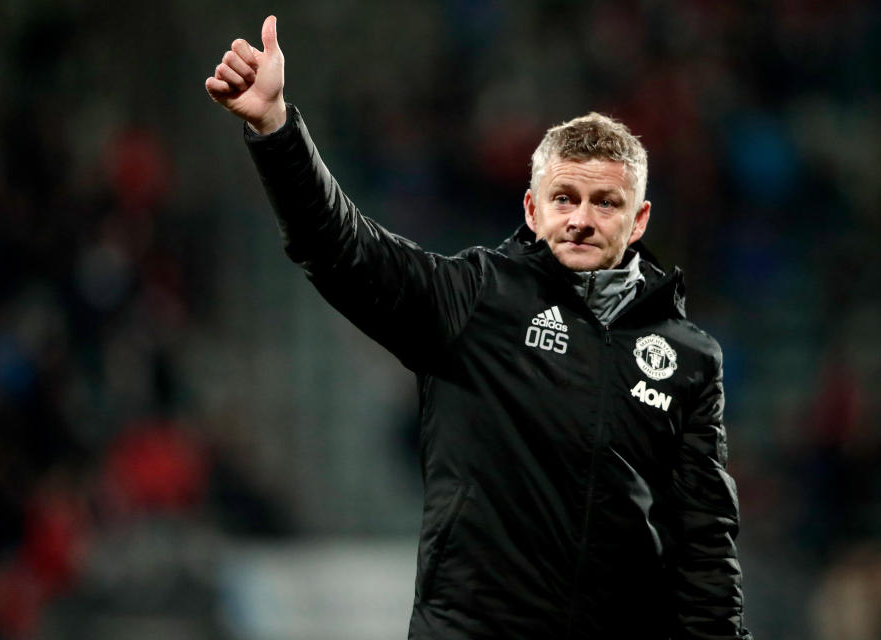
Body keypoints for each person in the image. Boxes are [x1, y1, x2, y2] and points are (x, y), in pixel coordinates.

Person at [206, 15, 752, 640]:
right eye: (564, 198)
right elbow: (341, 249)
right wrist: (275, 130)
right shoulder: (477, 298)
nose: (581, 218)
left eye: (605, 203)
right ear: (531, 207)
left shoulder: (686, 359)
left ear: (639, 220)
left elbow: (707, 551)